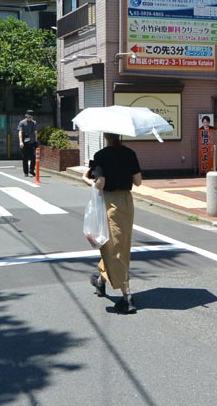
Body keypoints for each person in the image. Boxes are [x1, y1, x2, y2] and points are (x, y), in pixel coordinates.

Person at [83, 132, 142, 314]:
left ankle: (127, 297)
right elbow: (138, 181)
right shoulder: (130, 153)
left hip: (110, 203)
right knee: (119, 245)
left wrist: (85, 179)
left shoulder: (101, 155)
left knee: (113, 249)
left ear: (106, 135)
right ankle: (100, 282)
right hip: (127, 202)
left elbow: (100, 183)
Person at [17, 110, 38, 176]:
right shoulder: (22, 123)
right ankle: (26, 172)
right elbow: (20, 132)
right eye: (28, 117)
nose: (29, 118)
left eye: (30, 117)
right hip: (24, 143)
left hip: (32, 142)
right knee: (25, 158)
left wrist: (36, 141)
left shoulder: (34, 123)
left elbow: (35, 132)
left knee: (33, 157)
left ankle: (31, 170)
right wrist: (20, 142)